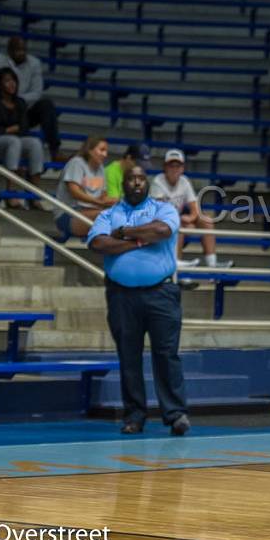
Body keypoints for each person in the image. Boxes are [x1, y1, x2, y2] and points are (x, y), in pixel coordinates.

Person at [87, 165, 190, 436]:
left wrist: (121, 233)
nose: (136, 183)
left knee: (166, 354)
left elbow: (161, 232)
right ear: (123, 184)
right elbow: (98, 244)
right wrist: (139, 240)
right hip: (121, 296)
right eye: (131, 179)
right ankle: (134, 416)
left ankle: (175, 414)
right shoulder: (109, 213)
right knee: (128, 357)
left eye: (140, 178)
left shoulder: (163, 208)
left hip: (162, 294)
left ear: (147, 183)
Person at [0, 36, 65, 162]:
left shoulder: (34, 63)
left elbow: (36, 93)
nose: (21, 53)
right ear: (9, 50)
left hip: (21, 110)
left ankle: (55, 150)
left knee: (46, 105)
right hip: (0, 109)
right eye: (17, 50)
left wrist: (14, 99)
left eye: (23, 50)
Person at [150, 149, 229, 269]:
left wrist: (190, 218)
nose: (174, 169)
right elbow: (162, 212)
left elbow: (195, 208)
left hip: (177, 220)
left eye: (178, 165)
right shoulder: (157, 181)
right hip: (159, 223)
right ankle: (176, 266)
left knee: (206, 221)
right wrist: (184, 222)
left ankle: (212, 265)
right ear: (165, 167)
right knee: (178, 225)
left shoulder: (184, 181)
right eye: (171, 165)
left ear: (183, 168)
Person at [0, 67, 46, 210]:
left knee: (35, 143)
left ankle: (34, 194)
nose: (12, 84)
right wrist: (10, 129)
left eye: (14, 81)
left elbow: (24, 128)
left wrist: (9, 130)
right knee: (14, 141)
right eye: (7, 81)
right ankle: (11, 193)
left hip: (13, 143)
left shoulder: (20, 103)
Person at [54, 136, 115, 238]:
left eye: (106, 151)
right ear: (90, 150)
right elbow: (74, 192)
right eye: (102, 150)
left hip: (91, 210)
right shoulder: (76, 163)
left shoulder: (101, 168)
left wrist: (115, 201)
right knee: (108, 216)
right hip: (68, 214)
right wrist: (98, 202)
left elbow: (103, 196)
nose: (105, 154)